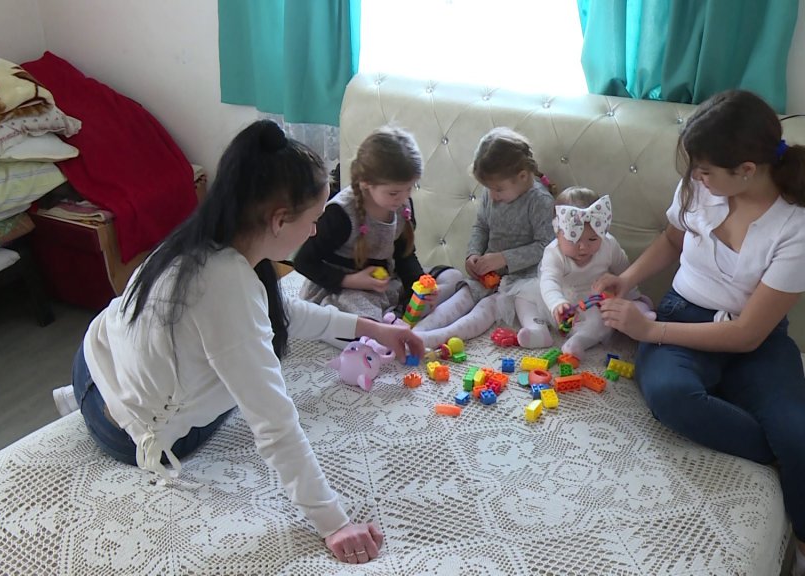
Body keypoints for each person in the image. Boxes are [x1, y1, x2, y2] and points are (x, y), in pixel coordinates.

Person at [63, 120, 424, 565]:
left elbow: (281, 313)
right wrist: (334, 523)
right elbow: (273, 422)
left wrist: (373, 328)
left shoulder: (208, 237)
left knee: (236, 352)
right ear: (279, 220)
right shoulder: (226, 287)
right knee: (243, 385)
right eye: (313, 221)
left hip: (92, 355)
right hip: (126, 427)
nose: (315, 232)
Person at [594, 90, 805, 576]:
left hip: (754, 337)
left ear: (747, 170)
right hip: (684, 311)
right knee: (673, 396)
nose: (696, 177)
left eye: (706, 170)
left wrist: (649, 329)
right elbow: (673, 238)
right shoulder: (701, 188)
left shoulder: (798, 229)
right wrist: (626, 280)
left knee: (800, 434)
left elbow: (748, 336)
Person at [293, 126, 466, 338]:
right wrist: (352, 280)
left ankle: (397, 320)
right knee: (362, 319)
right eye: (394, 192)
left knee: (453, 278)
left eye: (409, 189)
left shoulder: (402, 206)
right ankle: (387, 325)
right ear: (366, 183)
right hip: (344, 288)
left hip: (385, 282)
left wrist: (420, 286)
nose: (403, 198)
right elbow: (303, 261)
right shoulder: (341, 214)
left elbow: (404, 256)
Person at [412, 127, 556, 348]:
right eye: (489, 189)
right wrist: (473, 254)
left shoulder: (539, 201)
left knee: (484, 310)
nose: (493, 196)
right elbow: (481, 227)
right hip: (488, 273)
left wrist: (504, 258)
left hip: (521, 281)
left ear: (522, 176)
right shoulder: (492, 193)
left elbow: (546, 245)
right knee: (461, 297)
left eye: (498, 189)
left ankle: (439, 337)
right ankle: (416, 332)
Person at [538, 186, 654, 359]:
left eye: (592, 239)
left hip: (596, 298)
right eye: (574, 239)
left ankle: (579, 342)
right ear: (557, 233)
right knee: (524, 299)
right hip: (564, 301)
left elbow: (624, 272)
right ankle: (536, 330)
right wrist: (557, 303)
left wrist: (633, 297)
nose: (583, 247)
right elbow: (549, 281)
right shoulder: (553, 253)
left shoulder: (609, 245)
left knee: (604, 319)